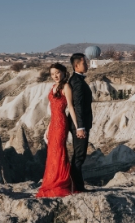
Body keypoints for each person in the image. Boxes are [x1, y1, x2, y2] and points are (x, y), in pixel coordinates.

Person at [35, 63, 80, 198]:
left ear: (63, 72)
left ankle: (62, 181)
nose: (55, 76)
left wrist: (78, 127)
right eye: (52, 74)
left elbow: (71, 108)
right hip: (53, 123)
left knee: (59, 150)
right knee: (52, 151)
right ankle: (51, 180)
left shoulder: (66, 86)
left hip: (61, 123)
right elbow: (52, 111)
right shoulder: (53, 87)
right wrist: (48, 128)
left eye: (57, 73)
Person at [67, 52, 94, 192]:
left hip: (79, 124)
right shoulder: (77, 82)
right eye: (84, 63)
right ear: (76, 65)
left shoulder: (78, 80)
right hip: (78, 125)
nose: (87, 65)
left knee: (79, 156)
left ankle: (76, 186)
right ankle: (76, 187)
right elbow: (77, 105)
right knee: (79, 156)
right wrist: (80, 127)